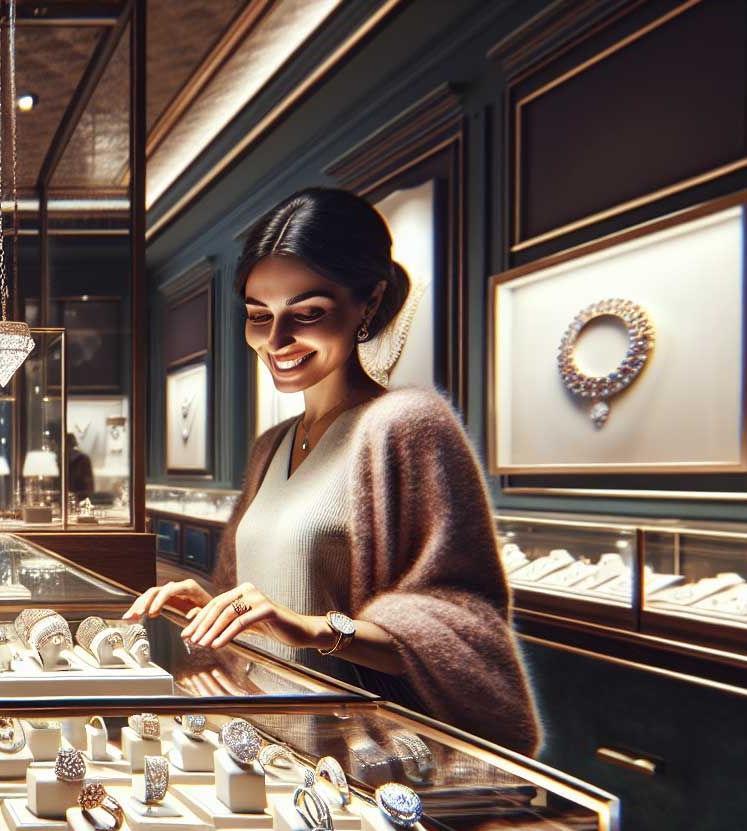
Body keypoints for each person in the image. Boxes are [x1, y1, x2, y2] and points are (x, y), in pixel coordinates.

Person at [125, 187, 540, 753]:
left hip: (355, 759)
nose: (276, 341)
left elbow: (462, 623)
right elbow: (257, 603)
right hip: (261, 738)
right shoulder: (271, 446)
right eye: (257, 317)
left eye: (308, 314)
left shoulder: (407, 423)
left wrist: (315, 627)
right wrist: (211, 609)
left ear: (367, 303)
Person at [65, 432, 94, 503]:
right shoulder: (84, 459)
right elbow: (89, 486)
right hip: (79, 498)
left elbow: (88, 485)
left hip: (77, 499)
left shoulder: (83, 459)